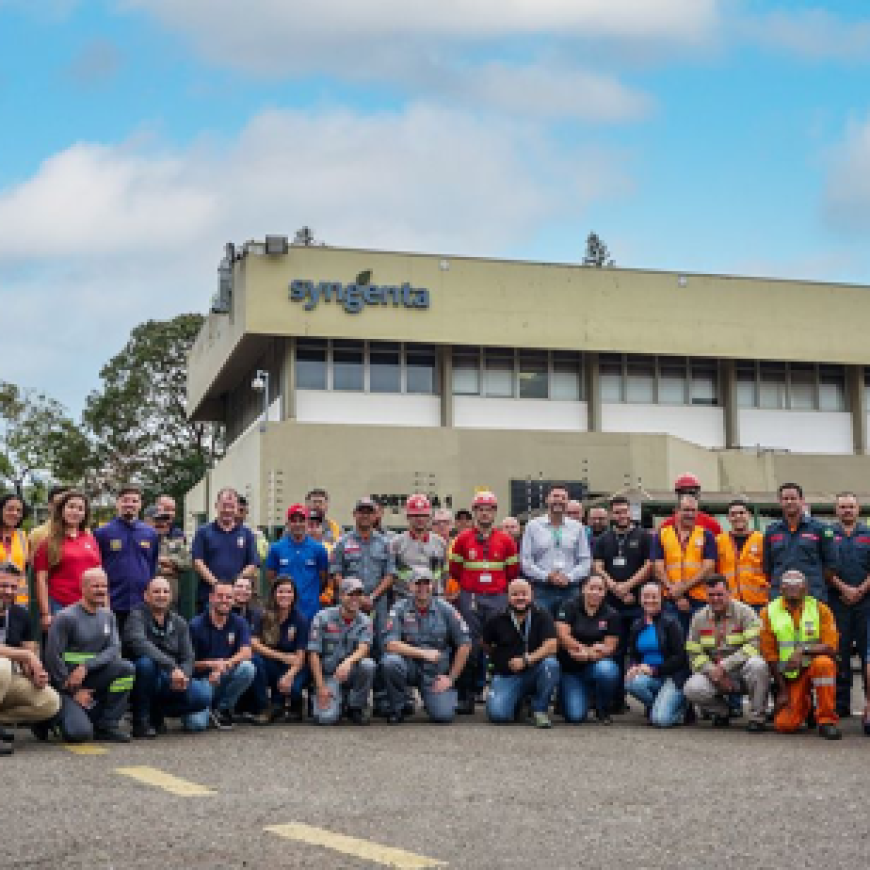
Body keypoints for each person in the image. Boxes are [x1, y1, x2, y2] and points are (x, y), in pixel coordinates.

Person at [43, 567, 135, 743]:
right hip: (66, 685)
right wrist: (73, 691)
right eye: (95, 586)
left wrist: (86, 666)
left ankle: (107, 725)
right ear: (83, 588)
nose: (101, 590)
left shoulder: (108, 616)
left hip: (91, 678)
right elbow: (52, 658)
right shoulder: (65, 617)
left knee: (126, 668)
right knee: (78, 734)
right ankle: (46, 720)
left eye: (104, 586)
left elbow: (114, 649)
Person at [449, 490, 520, 714]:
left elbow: (512, 572)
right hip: (470, 596)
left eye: (489, 510)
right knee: (469, 645)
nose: (485, 513)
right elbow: (455, 570)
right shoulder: (462, 539)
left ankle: (499, 691)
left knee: (498, 645)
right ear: (474, 512)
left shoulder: (506, 541)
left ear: (495, 512)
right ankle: (467, 694)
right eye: (480, 509)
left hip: (497, 597)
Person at [122, 576, 210, 738]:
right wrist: (172, 667)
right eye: (156, 591)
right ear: (146, 596)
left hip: (172, 678)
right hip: (148, 677)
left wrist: (184, 674)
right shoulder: (136, 617)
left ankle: (158, 712)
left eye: (165, 591)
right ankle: (141, 721)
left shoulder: (180, 622)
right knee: (145, 664)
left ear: (171, 596)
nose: (161, 595)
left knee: (204, 695)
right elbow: (139, 644)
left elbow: (188, 655)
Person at [380, 568, 471, 724]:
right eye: (418, 583)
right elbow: (390, 644)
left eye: (426, 583)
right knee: (390, 662)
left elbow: (465, 643)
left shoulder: (446, 609)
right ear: (409, 586)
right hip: (408, 666)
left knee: (443, 716)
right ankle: (398, 707)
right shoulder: (399, 608)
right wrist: (423, 653)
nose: (422, 587)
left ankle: (432, 699)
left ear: (433, 585)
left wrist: (451, 678)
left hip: (434, 672)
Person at [759, 569, 841, 739]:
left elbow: (831, 647)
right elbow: (770, 656)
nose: (792, 588)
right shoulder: (768, 612)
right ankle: (806, 705)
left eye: (797, 584)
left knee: (824, 664)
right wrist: (782, 690)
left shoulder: (821, 610)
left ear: (806, 588)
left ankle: (826, 721)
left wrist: (802, 651)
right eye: (787, 584)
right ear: (780, 589)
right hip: (791, 676)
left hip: (814, 667)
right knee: (784, 725)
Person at [683, 575, 768, 731]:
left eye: (720, 594)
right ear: (705, 595)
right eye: (711, 595)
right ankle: (723, 712)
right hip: (714, 673)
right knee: (691, 688)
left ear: (729, 593)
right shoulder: (698, 618)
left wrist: (724, 666)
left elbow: (754, 646)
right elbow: (694, 653)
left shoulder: (745, 612)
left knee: (758, 665)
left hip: (742, 671)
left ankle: (757, 718)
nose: (715, 599)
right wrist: (712, 671)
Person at [593, 495, 651, 709]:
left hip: (637, 604)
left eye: (624, 511)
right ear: (611, 514)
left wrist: (627, 586)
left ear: (630, 512)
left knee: (640, 650)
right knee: (614, 652)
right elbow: (597, 567)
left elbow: (648, 566)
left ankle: (647, 699)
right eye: (617, 512)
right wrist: (615, 587)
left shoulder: (643, 536)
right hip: (611, 606)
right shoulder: (603, 539)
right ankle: (616, 700)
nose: (621, 515)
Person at [482, 579, 560, 728]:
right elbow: (485, 644)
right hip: (507, 675)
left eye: (524, 594)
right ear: (507, 596)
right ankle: (520, 703)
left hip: (534, 671)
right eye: (515, 594)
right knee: (498, 715)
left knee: (551, 665)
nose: (520, 598)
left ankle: (539, 710)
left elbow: (552, 646)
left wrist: (526, 660)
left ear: (532, 595)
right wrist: (500, 660)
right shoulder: (496, 618)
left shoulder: (542, 615)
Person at [0, 563, 61, 752]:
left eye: (13, 587)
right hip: (3, 671)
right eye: (3, 586)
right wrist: (25, 655)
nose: (9, 591)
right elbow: (26, 654)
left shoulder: (21, 613)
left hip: (8, 679)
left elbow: (30, 652)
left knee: (50, 702)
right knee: (2, 665)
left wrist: (36, 673)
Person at [188, 580, 256, 730]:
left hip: (224, 675)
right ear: (211, 598)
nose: (224, 600)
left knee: (247, 668)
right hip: (202, 681)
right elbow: (187, 663)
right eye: (220, 596)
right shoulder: (195, 625)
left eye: (228, 597)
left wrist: (224, 665)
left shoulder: (239, 623)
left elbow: (246, 652)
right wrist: (211, 665)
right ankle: (205, 707)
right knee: (195, 725)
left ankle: (222, 709)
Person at [307, 577, 376, 725]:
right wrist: (321, 687)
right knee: (326, 719)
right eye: (350, 594)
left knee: (368, 665)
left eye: (359, 594)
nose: (355, 599)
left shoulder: (365, 621)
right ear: (341, 596)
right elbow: (313, 654)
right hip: (329, 675)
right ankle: (335, 699)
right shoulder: (322, 617)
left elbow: (364, 648)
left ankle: (356, 706)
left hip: (351, 673)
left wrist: (348, 661)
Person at [554, 574, 620, 725]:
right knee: (575, 717)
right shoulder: (569, 606)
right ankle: (570, 696)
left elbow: (610, 646)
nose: (596, 592)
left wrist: (589, 654)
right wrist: (583, 649)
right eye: (592, 588)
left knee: (608, 670)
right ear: (583, 589)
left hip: (595, 665)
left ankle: (602, 708)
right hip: (571, 669)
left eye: (600, 589)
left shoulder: (611, 614)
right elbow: (562, 635)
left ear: (605, 592)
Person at [93, 485, 158, 633]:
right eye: (125, 500)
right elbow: (97, 566)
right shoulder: (102, 533)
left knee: (138, 646)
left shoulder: (150, 534)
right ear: (117, 503)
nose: (130, 504)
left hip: (141, 603)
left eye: (134, 501)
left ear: (140, 505)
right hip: (112, 602)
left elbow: (152, 566)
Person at [33, 490, 101, 631]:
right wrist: (45, 613)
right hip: (60, 605)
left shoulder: (90, 539)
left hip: (89, 605)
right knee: (62, 650)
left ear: (85, 514)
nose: (75, 511)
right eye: (71, 507)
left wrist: (106, 607)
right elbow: (41, 580)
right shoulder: (47, 542)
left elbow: (100, 576)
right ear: (62, 510)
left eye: (80, 508)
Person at [828, 492, 870, 718]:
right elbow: (823, 566)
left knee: (866, 654)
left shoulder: (868, 534)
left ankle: (868, 703)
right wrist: (844, 589)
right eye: (842, 506)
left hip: (866, 603)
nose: (847, 510)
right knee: (840, 652)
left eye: (851, 506)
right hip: (838, 601)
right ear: (836, 510)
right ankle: (840, 702)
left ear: (858, 509)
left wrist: (861, 590)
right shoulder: (827, 534)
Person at [625, 582, 690, 727]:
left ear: (662, 599)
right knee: (630, 682)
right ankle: (659, 705)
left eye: (654, 597)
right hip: (650, 676)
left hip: (672, 677)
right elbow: (633, 653)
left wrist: (655, 670)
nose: (649, 600)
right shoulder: (637, 625)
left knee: (660, 721)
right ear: (640, 599)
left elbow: (680, 658)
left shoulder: (671, 622)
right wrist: (633, 666)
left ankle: (681, 709)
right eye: (645, 597)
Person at [521, 483, 591, 615]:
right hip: (542, 590)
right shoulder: (533, 526)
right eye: (555, 496)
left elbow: (585, 561)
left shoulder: (577, 528)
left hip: (570, 590)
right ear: (547, 499)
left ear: (567, 501)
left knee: (568, 630)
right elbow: (526, 561)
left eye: (563, 497)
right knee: (542, 631)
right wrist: (546, 576)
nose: (559, 500)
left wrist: (569, 577)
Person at [762, 482, 837, 603]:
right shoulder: (771, 531)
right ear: (780, 502)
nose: (789, 502)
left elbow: (832, 565)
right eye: (785, 499)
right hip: (780, 597)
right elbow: (767, 567)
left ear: (802, 501)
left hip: (813, 595)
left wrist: (814, 582)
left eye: (793, 498)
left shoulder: (820, 529)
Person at [653, 493, 716, 633]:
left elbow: (708, 568)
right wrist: (675, 593)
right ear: (676, 511)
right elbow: (657, 568)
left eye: (693, 510)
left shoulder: (707, 535)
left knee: (702, 643)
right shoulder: (662, 534)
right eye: (686, 510)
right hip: (670, 600)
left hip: (700, 600)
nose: (690, 514)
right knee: (673, 644)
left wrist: (682, 589)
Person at [250, 576, 310, 723]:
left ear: (294, 595)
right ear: (274, 594)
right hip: (272, 663)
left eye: (289, 592)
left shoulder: (300, 619)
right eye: (281, 591)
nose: (285, 595)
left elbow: (300, 656)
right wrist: (282, 656)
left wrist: (289, 676)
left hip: (293, 666)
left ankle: (294, 704)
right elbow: (254, 644)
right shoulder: (262, 614)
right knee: (254, 661)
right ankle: (266, 707)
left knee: (293, 688)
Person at [330, 497, 395, 630]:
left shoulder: (386, 543)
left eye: (369, 512)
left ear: (375, 515)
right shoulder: (342, 543)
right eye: (361, 512)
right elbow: (336, 573)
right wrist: (355, 597)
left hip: (377, 604)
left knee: (379, 644)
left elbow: (390, 575)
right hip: (349, 605)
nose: (365, 515)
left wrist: (371, 597)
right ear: (354, 514)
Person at [191, 488, 260, 609]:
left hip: (238, 598)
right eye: (224, 506)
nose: (227, 510)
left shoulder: (247, 533)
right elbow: (198, 562)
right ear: (216, 506)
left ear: (237, 508)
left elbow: (253, 564)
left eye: (231, 506)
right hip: (209, 596)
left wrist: (235, 585)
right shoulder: (203, 532)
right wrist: (218, 585)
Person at [265, 503, 329, 623]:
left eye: (301, 520)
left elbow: (323, 579)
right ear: (288, 523)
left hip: (310, 611)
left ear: (307, 522)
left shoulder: (319, 549)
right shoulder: (276, 548)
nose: (298, 524)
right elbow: (271, 578)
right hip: (284, 611)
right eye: (294, 520)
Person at [390, 494, 448, 600]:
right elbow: (392, 575)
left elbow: (444, 573)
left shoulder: (440, 543)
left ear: (429, 517)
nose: (420, 519)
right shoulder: (396, 543)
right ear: (408, 517)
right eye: (415, 515)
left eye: (424, 515)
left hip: (434, 599)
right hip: (405, 599)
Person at [715, 499, 768, 609]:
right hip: (729, 602)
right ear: (728, 518)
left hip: (758, 601)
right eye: (733, 514)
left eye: (741, 513)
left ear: (749, 515)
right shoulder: (719, 541)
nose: (738, 516)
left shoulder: (762, 540)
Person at [153, 508, 191, 605]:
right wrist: (161, 570)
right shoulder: (145, 543)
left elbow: (188, 563)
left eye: (166, 521)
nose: (162, 524)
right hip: (150, 594)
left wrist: (170, 561)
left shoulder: (176, 543)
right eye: (158, 521)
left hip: (171, 595)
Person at [0, 493, 29, 605]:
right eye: (10, 509)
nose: (15, 513)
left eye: (19, 511)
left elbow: (25, 567)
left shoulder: (22, 536)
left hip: (19, 600)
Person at [28, 485, 70, 554]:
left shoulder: (84, 531)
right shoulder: (37, 534)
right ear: (49, 506)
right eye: (58, 504)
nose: (62, 508)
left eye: (67, 504)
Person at [237, 495, 269, 562]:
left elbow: (264, 554)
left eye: (242, 511)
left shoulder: (255, 534)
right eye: (238, 510)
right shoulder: (221, 532)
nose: (239, 514)